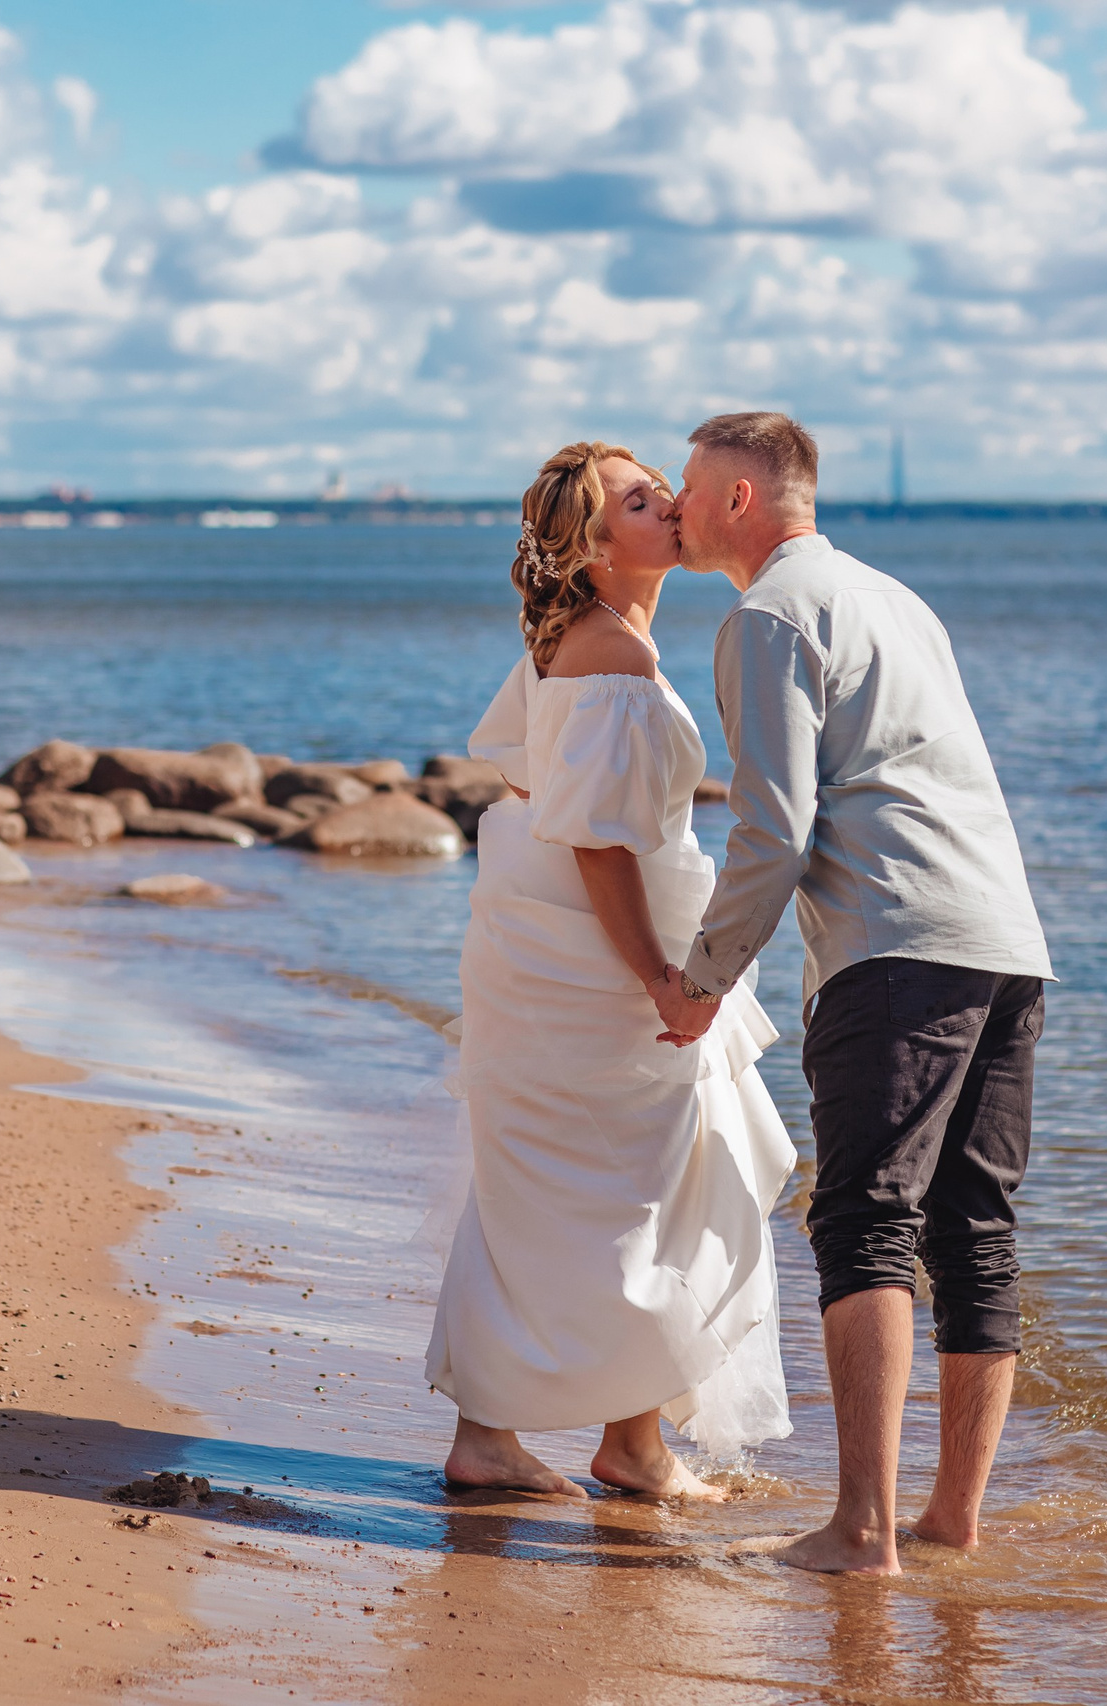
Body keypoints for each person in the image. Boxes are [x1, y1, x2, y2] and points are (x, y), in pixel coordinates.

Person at [651, 411, 1053, 1574]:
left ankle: (862, 1529)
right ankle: (949, 1521)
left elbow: (773, 833)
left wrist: (701, 980)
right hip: (1007, 940)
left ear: (740, 496)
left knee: (864, 1218)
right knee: (975, 1234)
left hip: (896, 947)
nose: (675, 505)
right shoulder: (896, 599)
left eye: (687, 484)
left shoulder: (768, 613)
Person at [427, 440, 798, 1501]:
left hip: (548, 952)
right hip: (595, 968)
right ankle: (601, 1442)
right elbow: (595, 838)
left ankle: (547, 1436)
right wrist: (659, 978)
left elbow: (530, 777)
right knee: (650, 1187)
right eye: (643, 502)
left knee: (556, 1191)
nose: (674, 506)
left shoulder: (579, 638)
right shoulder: (610, 655)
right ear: (594, 549)